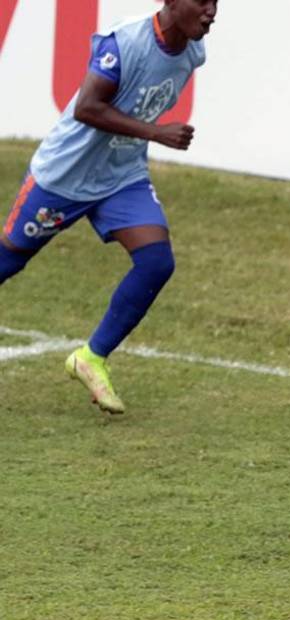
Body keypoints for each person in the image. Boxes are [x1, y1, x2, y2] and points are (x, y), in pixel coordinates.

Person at [0, 0, 215, 413]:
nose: (211, 12)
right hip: (65, 176)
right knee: (7, 261)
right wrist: (156, 132)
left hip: (121, 177)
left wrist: (145, 138)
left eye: (217, 3)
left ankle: (91, 357)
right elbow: (87, 107)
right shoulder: (125, 41)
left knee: (157, 262)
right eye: (203, 1)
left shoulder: (193, 52)